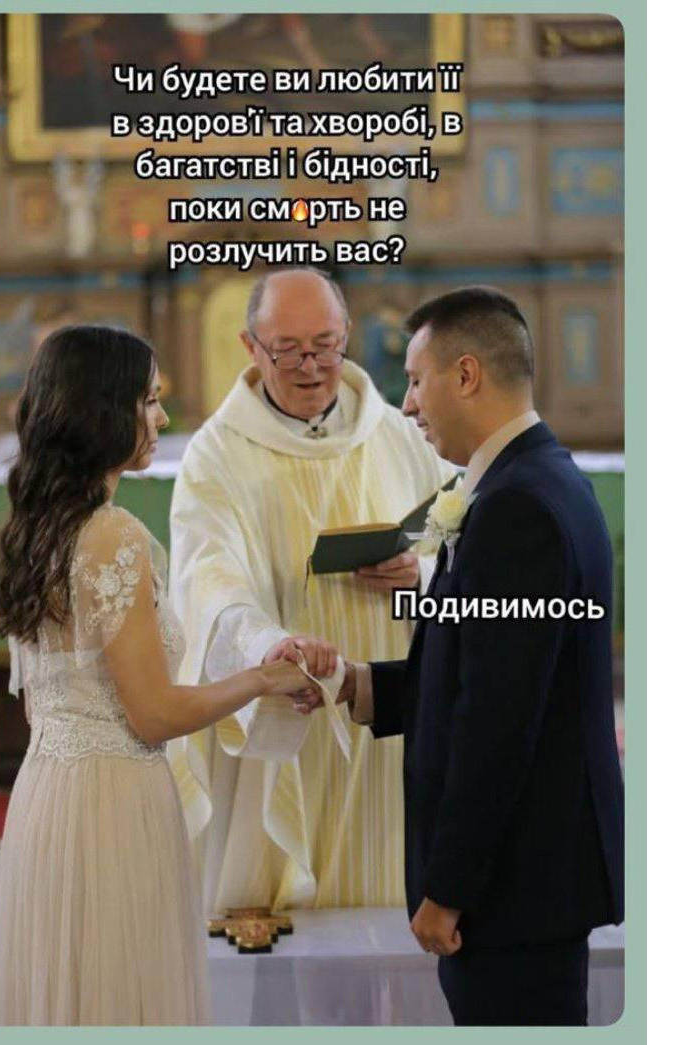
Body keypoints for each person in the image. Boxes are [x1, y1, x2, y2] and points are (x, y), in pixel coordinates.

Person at [0, 326, 317, 1025]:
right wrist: (262, 680)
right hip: (111, 802)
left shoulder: (34, 529)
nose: (161, 418)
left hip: (47, 795)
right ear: (105, 410)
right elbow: (154, 715)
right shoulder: (113, 536)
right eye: (150, 400)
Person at [308, 287, 625, 1025]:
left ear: (467, 374)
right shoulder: (535, 479)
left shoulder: (516, 508)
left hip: (513, 887)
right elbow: (485, 670)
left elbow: (497, 722)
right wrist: (359, 684)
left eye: (416, 380)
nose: (407, 405)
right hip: (528, 879)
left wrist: (449, 888)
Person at [168, 268, 456, 915]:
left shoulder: (399, 436)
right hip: (283, 711)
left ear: (347, 334)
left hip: (392, 715)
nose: (311, 367)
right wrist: (269, 646)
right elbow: (207, 577)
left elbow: (462, 556)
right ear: (250, 346)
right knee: (290, 921)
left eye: (326, 346)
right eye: (288, 350)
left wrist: (420, 575)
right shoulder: (217, 455)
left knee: (393, 894)